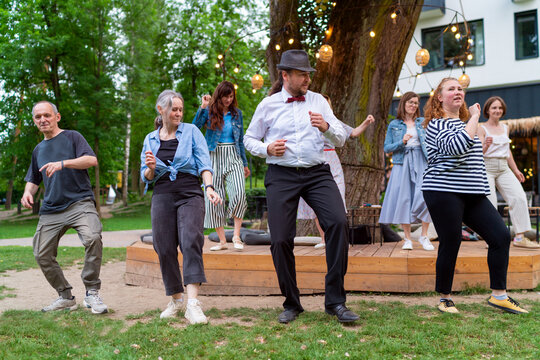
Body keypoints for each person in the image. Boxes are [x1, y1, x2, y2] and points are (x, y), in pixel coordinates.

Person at [244, 49, 359, 323]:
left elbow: (342, 138)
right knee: (281, 239)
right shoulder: (268, 105)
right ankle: (292, 303)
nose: (307, 78)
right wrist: (266, 147)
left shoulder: (319, 101)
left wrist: (327, 127)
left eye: (308, 73)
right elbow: (249, 139)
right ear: (285, 76)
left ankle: (335, 301)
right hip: (281, 176)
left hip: (317, 173)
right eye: (301, 74)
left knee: (339, 223)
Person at [422, 78, 528, 314]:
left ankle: (499, 295)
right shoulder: (436, 124)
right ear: (439, 97)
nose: (458, 91)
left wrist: (479, 141)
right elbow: (456, 148)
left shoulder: (467, 124)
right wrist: (472, 119)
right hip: (443, 190)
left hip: (472, 191)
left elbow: (471, 155)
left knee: (500, 236)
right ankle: (445, 298)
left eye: (460, 89)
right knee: (451, 241)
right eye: (451, 89)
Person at [140, 90, 221, 324]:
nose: (178, 113)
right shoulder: (150, 139)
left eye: (180, 109)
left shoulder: (192, 132)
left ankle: (193, 304)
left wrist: (209, 188)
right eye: (174, 109)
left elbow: (204, 164)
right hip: (163, 193)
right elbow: (146, 176)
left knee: (190, 241)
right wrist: (151, 167)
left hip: (189, 192)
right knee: (163, 246)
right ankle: (176, 300)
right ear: (161, 110)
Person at [21, 101, 107, 314]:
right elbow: (34, 177)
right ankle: (65, 296)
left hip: (80, 202)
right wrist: (26, 193)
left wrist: (62, 163)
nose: (43, 119)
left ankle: (92, 293)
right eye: (38, 117)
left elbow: (91, 160)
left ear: (57, 117)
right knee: (41, 253)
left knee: (93, 237)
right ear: (34, 121)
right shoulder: (38, 149)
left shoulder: (73, 137)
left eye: (47, 115)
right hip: (51, 210)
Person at [297, 94, 375, 249]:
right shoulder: (309, 119)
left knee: (338, 200)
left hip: (332, 160)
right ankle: (324, 239)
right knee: (316, 204)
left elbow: (352, 133)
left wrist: (366, 122)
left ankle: (340, 239)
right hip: (315, 159)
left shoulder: (334, 122)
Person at [193, 81, 250, 251]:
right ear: (219, 96)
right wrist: (203, 107)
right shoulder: (210, 112)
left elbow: (240, 141)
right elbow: (194, 127)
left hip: (233, 155)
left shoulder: (237, 114)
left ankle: (237, 236)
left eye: (231, 96)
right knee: (214, 199)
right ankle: (223, 241)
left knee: (239, 194)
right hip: (214, 155)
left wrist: (245, 164)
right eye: (226, 96)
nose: (228, 99)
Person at [478, 96, 539, 249]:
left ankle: (519, 237)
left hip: (504, 167)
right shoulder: (481, 128)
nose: (497, 110)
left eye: (500, 108)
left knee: (519, 197)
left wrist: (516, 170)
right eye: (494, 108)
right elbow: (477, 153)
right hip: (487, 167)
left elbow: (508, 152)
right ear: (487, 110)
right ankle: (491, 238)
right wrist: (485, 145)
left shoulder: (506, 128)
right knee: (490, 204)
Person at [379, 92, 434, 251]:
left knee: (425, 196)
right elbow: (387, 148)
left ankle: (424, 236)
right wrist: (401, 142)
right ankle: (408, 239)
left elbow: (430, 143)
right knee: (404, 199)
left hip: (421, 161)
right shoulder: (394, 124)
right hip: (402, 162)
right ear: (403, 104)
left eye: (416, 103)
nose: (413, 105)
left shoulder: (423, 122)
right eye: (410, 102)